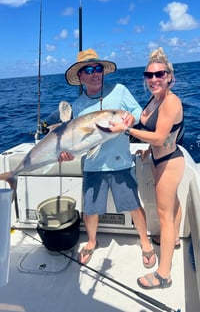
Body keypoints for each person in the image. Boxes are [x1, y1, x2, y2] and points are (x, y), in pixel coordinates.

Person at [59, 48, 156, 268]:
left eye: (98, 68)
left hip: (121, 161)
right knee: (91, 210)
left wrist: (130, 118)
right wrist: (67, 153)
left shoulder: (119, 90)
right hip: (93, 165)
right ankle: (92, 242)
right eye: (89, 69)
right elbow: (76, 141)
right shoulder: (78, 105)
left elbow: (138, 112)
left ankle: (145, 241)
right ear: (81, 77)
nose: (95, 73)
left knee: (134, 205)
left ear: (104, 71)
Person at [109, 47, 185, 290]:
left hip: (170, 161)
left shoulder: (171, 102)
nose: (153, 79)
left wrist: (126, 130)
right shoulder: (155, 99)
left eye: (159, 74)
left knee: (164, 214)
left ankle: (164, 275)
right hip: (157, 158)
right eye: (149, 75)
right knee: (171, 206)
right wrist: (147, 151)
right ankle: (172, 241)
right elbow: (153, 132)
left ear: (169, 76)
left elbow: (160, 137)